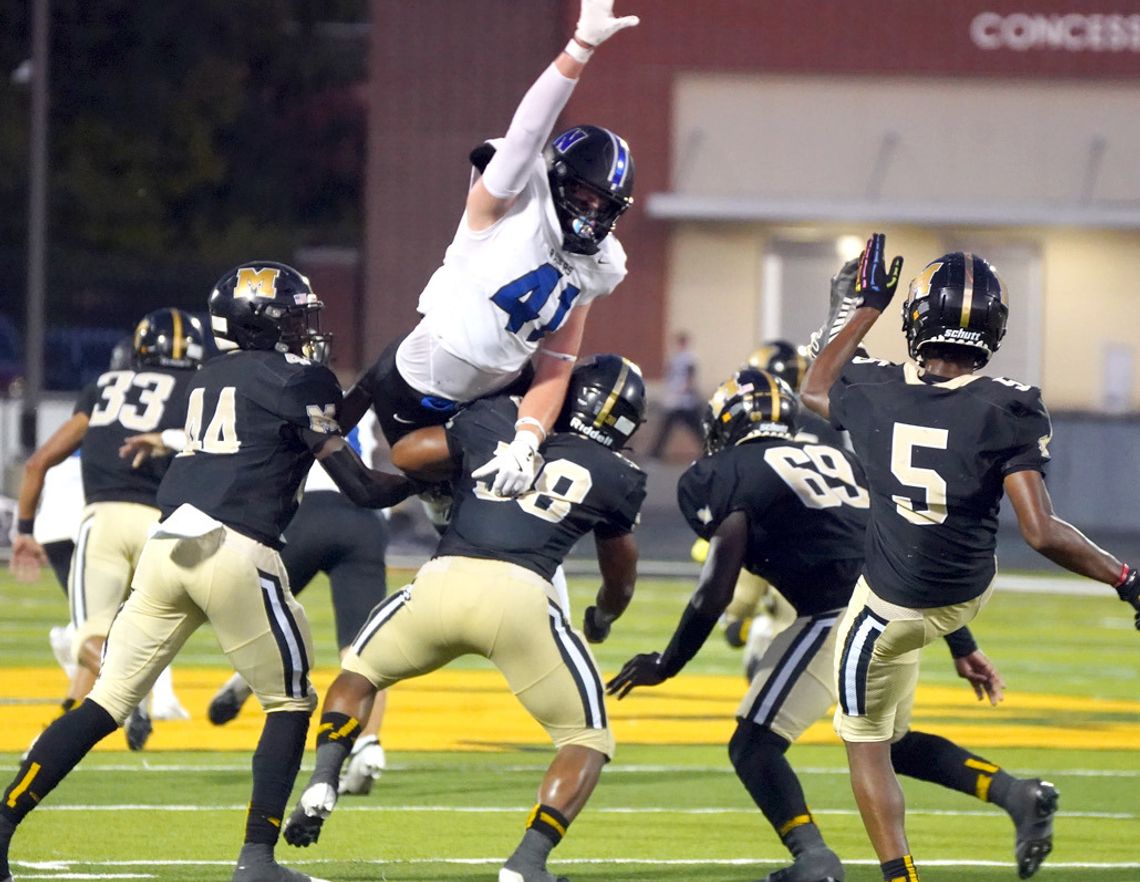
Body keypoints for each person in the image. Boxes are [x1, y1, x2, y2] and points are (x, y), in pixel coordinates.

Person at [0, 261, 416, 882]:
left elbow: (301, 423)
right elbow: (358, 485)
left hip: (168, 547)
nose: (307, 329)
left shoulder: (210, 374)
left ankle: (3, 822)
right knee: (290, 702)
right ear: (264, 324)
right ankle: (257, 859)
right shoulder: (298, 378)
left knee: (105, 701)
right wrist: (437, 478)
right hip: (236, 549)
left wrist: (370, 385)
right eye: (295, 318)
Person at [799, 234, 1140, 882]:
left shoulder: (876, 390)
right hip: (963, 592)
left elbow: (817, 385)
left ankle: (901, 880)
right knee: (892, 731)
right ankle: (1017, 794)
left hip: (889, 611)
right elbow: (1039, 532)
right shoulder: (1009, 403)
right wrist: (1126, 579)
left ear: (915, 319)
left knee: (863, 744)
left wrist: (861, 308)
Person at [281, 354, 648, 882]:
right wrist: (603, 616)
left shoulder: (499, 418)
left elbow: (409, 454)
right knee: (586, 739)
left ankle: (323, 779)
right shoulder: (620, 474)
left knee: (359, 671)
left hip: (444, 580)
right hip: (522, 599)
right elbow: (621, 574)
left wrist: (457, 469)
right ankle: (526, 864)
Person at [340, 0, 640, 503]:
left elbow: (558, 362)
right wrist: (579, 48)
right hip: (412, 386)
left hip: (498, 395)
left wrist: (527, 440)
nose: (590, 214)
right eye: (582, 196)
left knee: (509, 502)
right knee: (392, 490)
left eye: (603, 205)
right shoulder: (513, 201)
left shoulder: (600, 264)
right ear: (556, 180)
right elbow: (527, 133)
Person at [9, 308, 205, 749]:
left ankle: (127, 693)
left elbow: (39, 462)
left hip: (105, 522)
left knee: (86, 637)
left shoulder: (101, 388)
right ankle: (127, 694)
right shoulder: (197, 390)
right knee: (153, 629)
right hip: (165, 526)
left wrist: (23, 529)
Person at [206, 411, 392, 796]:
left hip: (307, 514)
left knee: (258, 611)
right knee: (364, 648)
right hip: (364, 519)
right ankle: (368, 747)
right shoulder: (369, 408)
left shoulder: (288, 403)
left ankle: (248, 678)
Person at [648, 331, 702, 459]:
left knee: (696, 428)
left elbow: (690, 376)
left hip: (686, 400)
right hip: (676, 400)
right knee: (667, 427)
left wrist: (685, 389)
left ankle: (712, 449)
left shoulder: (689, 358)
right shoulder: (675, 358)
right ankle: (655, 453)